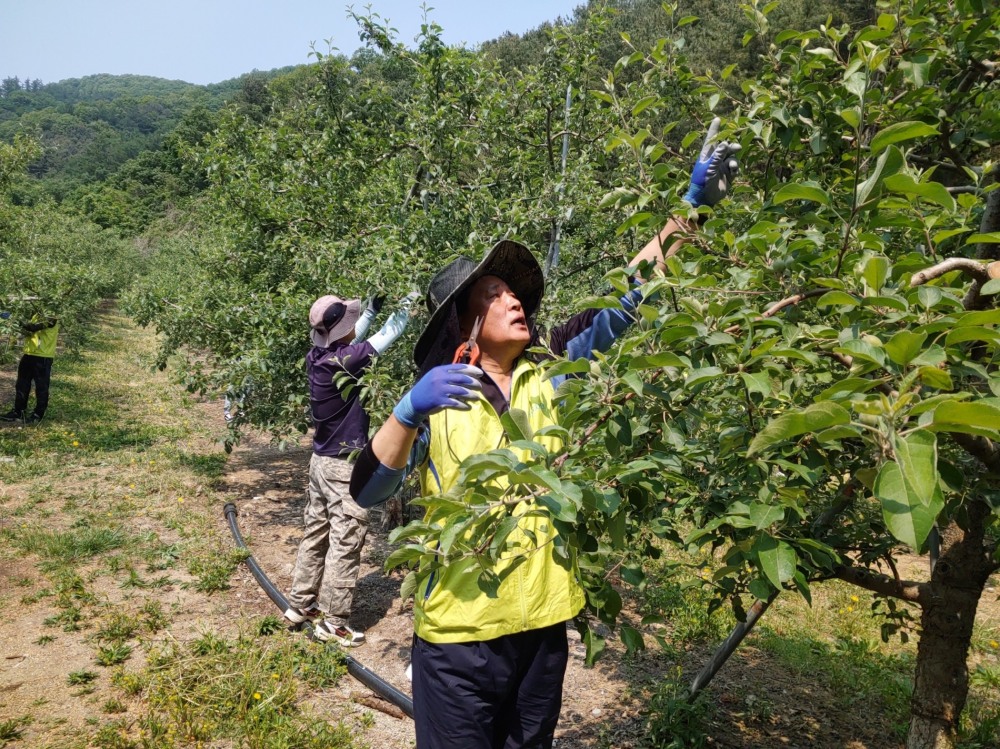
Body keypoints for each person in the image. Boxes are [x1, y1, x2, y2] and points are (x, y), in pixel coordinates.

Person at [349, 119, 739, 747]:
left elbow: (628, 296)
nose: (514, 301)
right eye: (493, 292)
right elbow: (366, 492)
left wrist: (689, 209)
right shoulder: (438, 398)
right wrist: (405, 413)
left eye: (515, 291)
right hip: (458, 637)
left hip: (542, 628)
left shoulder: (555, 370)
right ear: (463, 320)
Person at [283, 290, 420, 647]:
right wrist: (410, 298)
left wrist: (371, 310)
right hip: (343, 468)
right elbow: (393, 331)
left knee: (317, 531)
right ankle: (333, 621)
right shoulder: (346, 360)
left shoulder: (319, 357)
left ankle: (300, 604)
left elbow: (354, 337)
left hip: (319, 464)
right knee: (347, 540)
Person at [1, 312, 59, 424]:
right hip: (29, 354)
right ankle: (18, 412)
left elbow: (33, 328)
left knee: (41, 387)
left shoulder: (52, 315)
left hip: (43, 356)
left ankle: (38, 415)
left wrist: (12, 316)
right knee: (21, 384)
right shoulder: (36, 313)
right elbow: (28, 331)